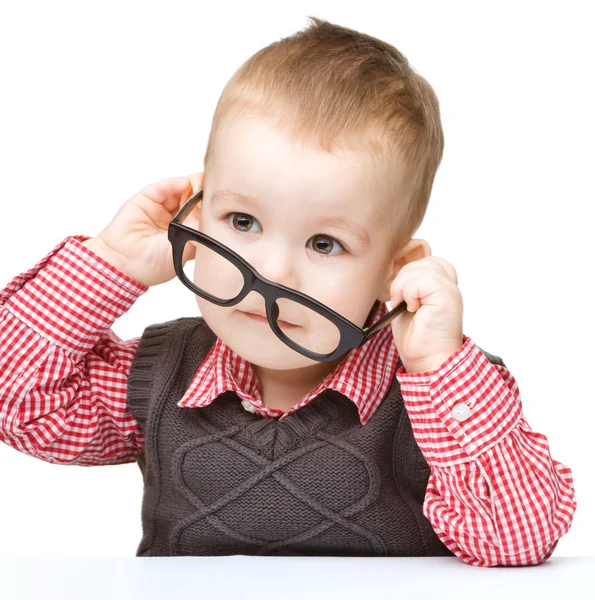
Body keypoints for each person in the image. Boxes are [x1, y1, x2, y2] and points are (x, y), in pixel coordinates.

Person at [0, 16, 576, 566]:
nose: (272, 273)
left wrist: (440, 368)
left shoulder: (438, 398)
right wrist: (113, 263)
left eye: (325, 244)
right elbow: (16, 405)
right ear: (197, 217)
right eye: (243, 222)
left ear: (393, 271)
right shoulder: (158, 378)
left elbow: (517, 539)